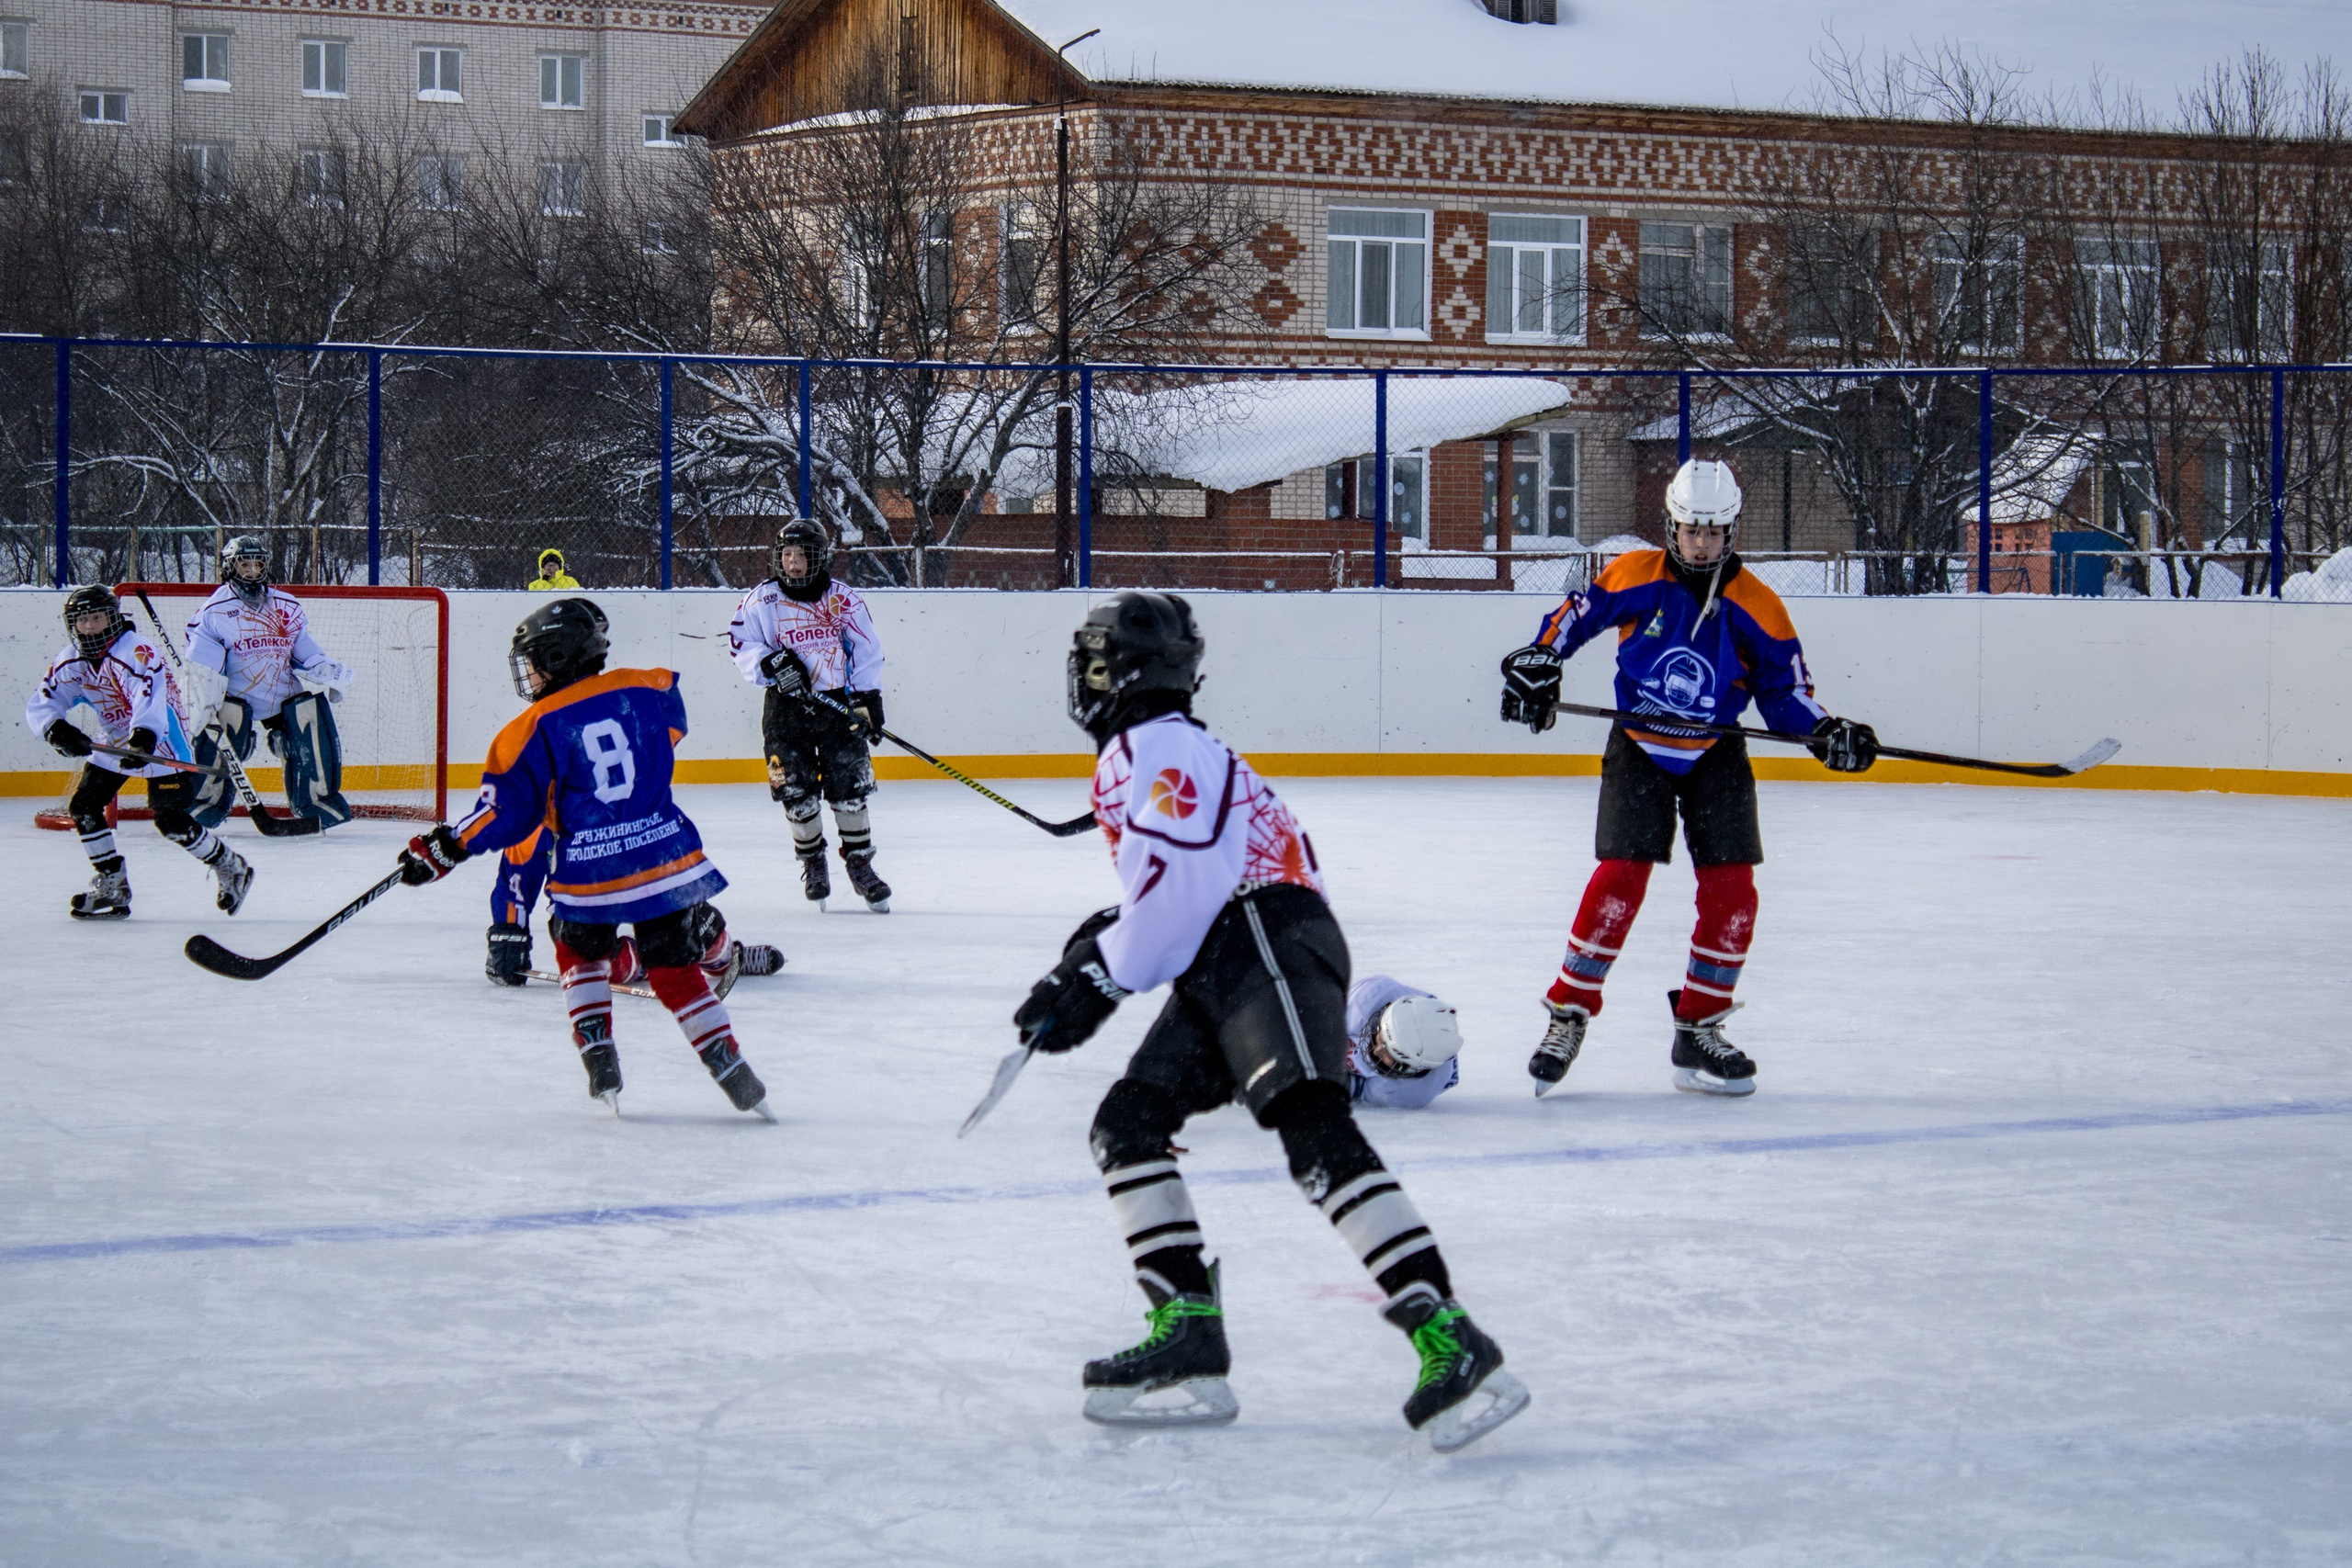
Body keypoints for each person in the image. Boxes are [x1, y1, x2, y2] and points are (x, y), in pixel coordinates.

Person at [1012, 592, 1528, 1452]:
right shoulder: (1152, 749)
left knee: (1312, 1123)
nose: (1086, 679)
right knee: (1127, 1123)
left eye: (1098, 664)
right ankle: (1188, 1330)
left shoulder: (1160, 745)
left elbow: (1186, 890)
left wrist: (1098, 974)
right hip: (1232, 950)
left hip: (1265, 937)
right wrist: (1097, 948)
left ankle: (1450, 1335)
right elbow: (1175, 888)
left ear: (1129, 673)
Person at [1498, 458, 1878, 1099]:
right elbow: (1575, 616)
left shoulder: (1759, 607)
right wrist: (1540, 658)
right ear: (1671, 526)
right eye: (1690, 530)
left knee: (1734, 892)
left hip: (1714, 750)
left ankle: (1699, 1025)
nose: (1701, 543)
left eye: (1714, 532)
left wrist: (1825, 731)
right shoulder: (1636, 575)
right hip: (1640, 745)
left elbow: (1784, 693)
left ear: (1732, 531)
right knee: (1620, 878)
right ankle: (1569, 1010)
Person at [396, 597, 771, 1118]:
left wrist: (447, 846)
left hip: (592, 870)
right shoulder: (650, 687)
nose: (528, 674)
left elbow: (507, 815)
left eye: (533, 662)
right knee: (673, 967)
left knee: (577, 951)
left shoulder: (530, 728)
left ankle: (598, 1053)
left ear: (557, 656)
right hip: (665, 855)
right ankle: (731, 1067)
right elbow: (668, 732)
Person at [28, 585, 254, 920]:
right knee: (84, 806)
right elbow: (46, 700)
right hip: (114, 740)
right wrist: (56, 729)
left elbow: (148, 698)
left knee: (170, 821)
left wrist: (144, 738)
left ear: (113, 618)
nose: (89, 626)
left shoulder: (136, 651)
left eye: (97, 618)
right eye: (82, 620)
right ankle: (112, 884)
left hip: (163, 740)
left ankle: (230, 865)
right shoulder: (70, 660)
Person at [726, 517, 890, 912]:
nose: (793, 563)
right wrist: (773, 663)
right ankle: (814, 862)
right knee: (794, 790)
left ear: (819, 558)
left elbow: (865, 649)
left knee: (850, 787)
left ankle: (860, 864)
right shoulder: (761, 600)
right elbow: (739, 644)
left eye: (802, 555)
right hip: (785, 710)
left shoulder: (843, 600)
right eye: (787, 555)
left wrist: (867, 698)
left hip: (837, 706)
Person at [182, 536, 356, 829]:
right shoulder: (214, 611)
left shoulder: (286, 604)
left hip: (281, 694)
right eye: (245, 564)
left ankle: (318, 802)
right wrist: (202, 701)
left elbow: (304, 651)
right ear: (229, 567)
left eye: (258, 564)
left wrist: (328, 672)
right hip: (236, 699)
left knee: (310, 722)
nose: (253, 571)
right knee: (219, 736)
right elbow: (204, 666)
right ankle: (205, 803)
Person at [485, 821, 785, 991]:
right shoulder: (536, 814)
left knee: (696, 928)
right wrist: (508, 935)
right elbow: (516, 877)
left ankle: (727, 957)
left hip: (645, 880)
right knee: (592, 959)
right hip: (580, 901)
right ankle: (645, 962)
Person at [1345, 977, 1463, 1110]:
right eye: (1381, 1038)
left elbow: (1350, 1088)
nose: (1377, 1050)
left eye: (1388, 1053)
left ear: (1409, 1069)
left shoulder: (1412, 1091)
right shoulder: (1363, 1002)